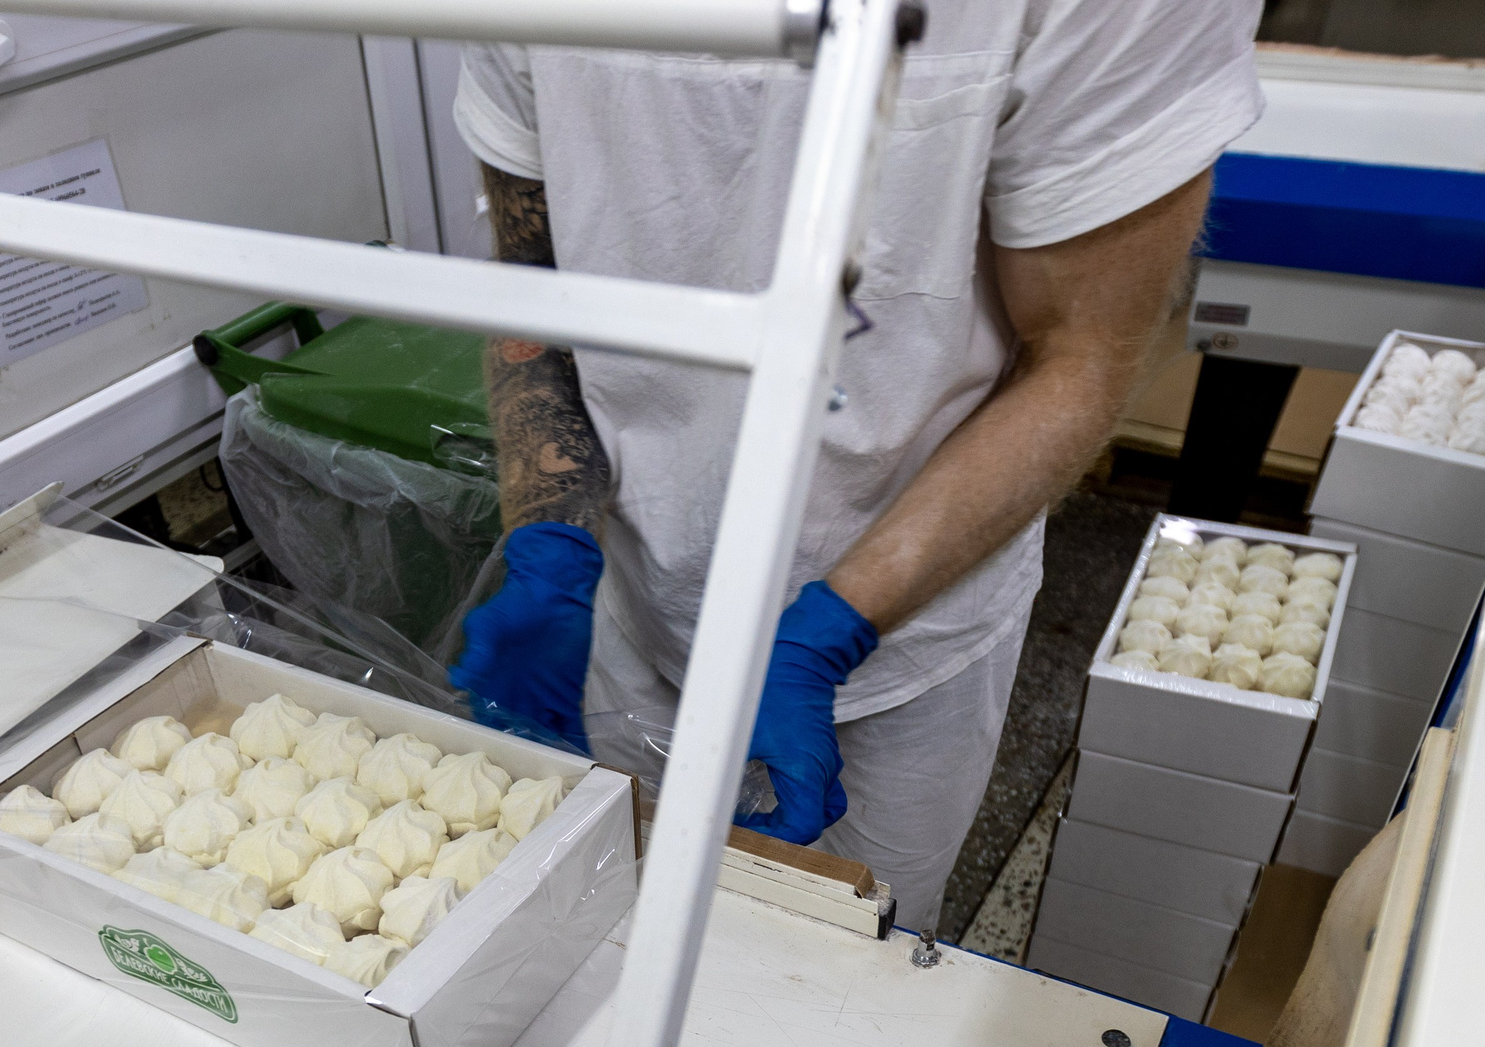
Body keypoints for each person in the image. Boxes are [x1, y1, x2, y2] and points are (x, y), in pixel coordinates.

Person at [448, 0, 1263, 932]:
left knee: (847, 980)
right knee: (627, 932)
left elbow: (1080, 356)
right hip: (633, 599)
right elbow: (534, 276)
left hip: (906, 631)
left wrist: (825, 634)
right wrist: (548, 541)